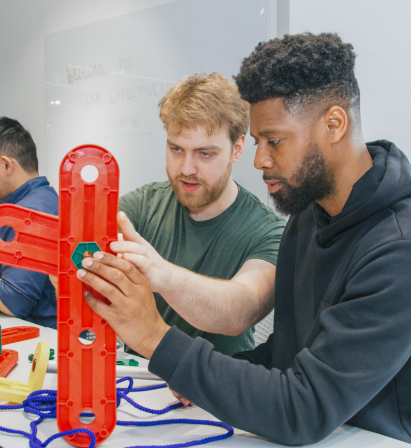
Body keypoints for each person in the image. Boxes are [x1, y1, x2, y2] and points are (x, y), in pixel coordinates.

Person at [77, 32, 411, 444]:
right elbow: (287, 354)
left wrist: (154, 337)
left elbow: (302, 409)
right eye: (257, 142)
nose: (259, 160)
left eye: (275, 141)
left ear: (334, 124)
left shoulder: (398, 250)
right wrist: (201, 374)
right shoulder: (308, 216)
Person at [118, 72, 285, 356]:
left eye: (205, 153)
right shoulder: (143, 205)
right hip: (138, 382)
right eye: (176, 149)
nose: (186, 168)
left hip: (214, 391)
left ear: (238, 148)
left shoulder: (269, 232)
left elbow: (240, 310)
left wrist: (162, 274)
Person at [0, 117, 58, 329]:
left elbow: (14, 300)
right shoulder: (40, 199)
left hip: (40, 343)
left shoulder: (31, 211)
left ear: (7, 165)